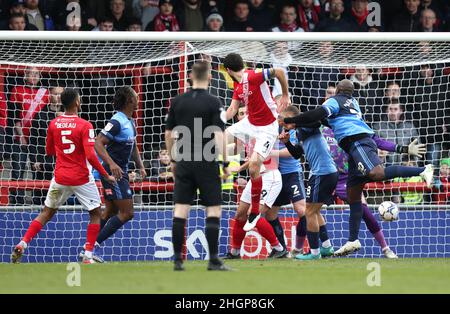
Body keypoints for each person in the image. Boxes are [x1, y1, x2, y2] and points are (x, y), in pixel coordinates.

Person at [284, 79, 433, 256]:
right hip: (349, 158)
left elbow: (316, 115)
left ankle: (422, 170)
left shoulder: (334, 102)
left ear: (338, 91)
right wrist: (402, 148)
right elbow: (323, 122)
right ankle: (352, 240)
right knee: (354, 197)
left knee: (376, 173)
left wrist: (290, 120)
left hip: (353, 148)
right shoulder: (353, 106)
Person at [11, 89, 116, 264]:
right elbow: (90, 155)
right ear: (76, 103)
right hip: (81, 178)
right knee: (96, 213)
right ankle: (88, 255)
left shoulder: (54, 123)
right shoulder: (85, 125)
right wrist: (106, 175)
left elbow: (49, 150)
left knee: (46, 212)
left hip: (60, 178)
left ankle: (23, 243)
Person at [165, 60, 230, 271]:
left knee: (181, 209)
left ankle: (177, 260)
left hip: (184, 161)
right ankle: (213, 260)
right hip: (207, 161)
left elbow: (168, 134)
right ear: (210, 76)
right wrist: (225, 162)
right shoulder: (214, 102)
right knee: (212, 209)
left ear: (191, 76)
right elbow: (219, 134)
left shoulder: (177, 101)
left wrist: (174, 159)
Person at [223, 52, 290, 232]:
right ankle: (225, 167)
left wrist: (285, 94)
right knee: (220, 137)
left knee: (254, 166)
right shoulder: (238, 87)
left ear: (228, 70)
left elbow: (279, 72)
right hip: (250, 122)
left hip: (267, 127)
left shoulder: (254, 75)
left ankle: (254, 211)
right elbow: (231, 110)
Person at [82, 86, 147, 262]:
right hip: (114, 174)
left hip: (120, 172)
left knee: (110, 211)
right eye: (135, 95)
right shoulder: (117, 121)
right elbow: (97, 143)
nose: (138, 97)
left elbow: (132, 147)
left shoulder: (130, 122)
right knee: (127, 213)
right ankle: (92, 247)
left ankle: (88, 249)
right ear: (130, 100)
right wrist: (111, 164)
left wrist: (140, 166)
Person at [280, 106, 336, 260]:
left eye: (285, 119)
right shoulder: (298, 132)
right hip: (323, 173)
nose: (284, 123)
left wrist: (294, 122)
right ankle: (326, 247)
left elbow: (316, 122)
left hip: (322, 173)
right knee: (314, 211)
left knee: (309, 212)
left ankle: (315, 253)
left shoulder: (306, 124)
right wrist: (287, 143)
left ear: (292, 117)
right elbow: (298, 154)